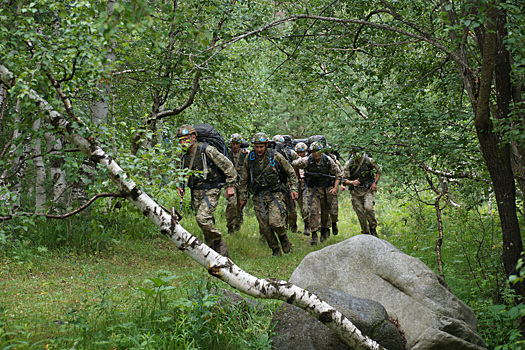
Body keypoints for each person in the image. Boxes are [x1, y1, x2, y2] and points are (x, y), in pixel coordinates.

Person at [176, 124, 236, 256]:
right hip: (196, 190)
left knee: (202, 218)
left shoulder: (207, 150)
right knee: (206, 221)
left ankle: (220, 244)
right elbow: (179, 171)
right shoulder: (182, 155)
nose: (182, 142)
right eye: (180, 140)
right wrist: (179, 184)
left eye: (185, 139)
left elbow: (228, 165)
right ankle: (215, 252)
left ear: (193, 137)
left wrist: (230, 185)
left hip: (211, 189)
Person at [239, 132, 299, 256]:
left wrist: (294, 189)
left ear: (266, 144)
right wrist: (243, 197)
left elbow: (291, 172)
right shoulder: (249, 158)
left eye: (261, 146)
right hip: (258, 195)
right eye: (256, 146)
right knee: (264, 226)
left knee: (275, 222)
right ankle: (275, 249)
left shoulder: (276, 156)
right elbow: (244, 179)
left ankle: (283, 236)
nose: (259, 149)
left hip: (274, 194)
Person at [293, 142, 343, 245]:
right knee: (312, 210)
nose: (316, 154)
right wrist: (300, 177)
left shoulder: (327, 160)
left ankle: (325, 229)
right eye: (314, 152)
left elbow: (338, 174)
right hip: (313, 188)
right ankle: (314, 233)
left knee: (326, 211)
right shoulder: (307, 160)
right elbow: (295, 164)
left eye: (318, 152)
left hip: (326, 188)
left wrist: (335, 188)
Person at [342, 146, 382, 236]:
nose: (356, 154)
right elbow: (343, 180)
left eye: (357, 152)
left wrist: (375, 183)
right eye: (354, 152)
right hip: (355, 192)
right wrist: (352, 182)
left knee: (369, 208)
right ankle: (365, 232)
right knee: (360, 213)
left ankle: (373, 228)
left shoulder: (369, 160)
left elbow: (379, 170)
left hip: (367, 189)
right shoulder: (349, 164)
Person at [272, 134, 299, 233]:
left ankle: (293, 227)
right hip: (276, 185)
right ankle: (283, 228)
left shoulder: (290, 153)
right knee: (279, 208)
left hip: (288, 183)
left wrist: (294, 183)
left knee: (292, 208)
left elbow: (297, 165)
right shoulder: (270, 155)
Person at [226, 133, 249, 235]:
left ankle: (238, 225)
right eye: (233, 143)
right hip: (231, 182)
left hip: (243, 183)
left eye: (237, 144)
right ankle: (230, 226)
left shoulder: (245, 154)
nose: (235, 146)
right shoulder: (226, 154)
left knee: (241, 204)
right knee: (232, 203)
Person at [294, 142, 310, 236]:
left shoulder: (308, 160)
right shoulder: (295, 161)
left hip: (307, 185)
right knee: (300, 206)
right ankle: (306, 224)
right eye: (298, 152)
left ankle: (310, 225)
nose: (300, 154)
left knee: (306, 206)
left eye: (302, 152)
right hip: (298, 185)